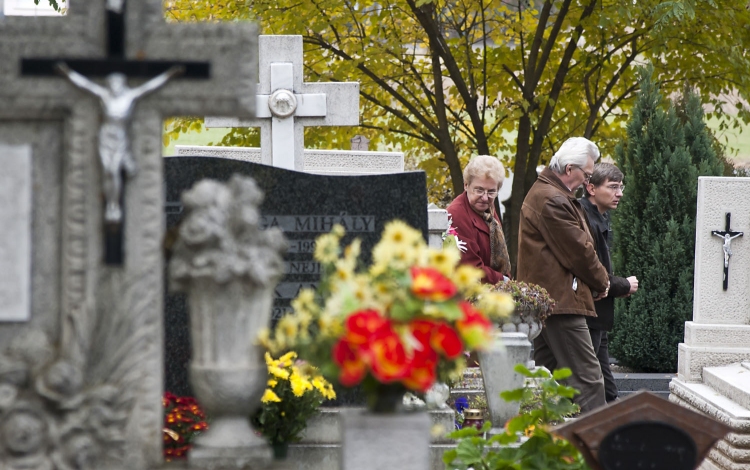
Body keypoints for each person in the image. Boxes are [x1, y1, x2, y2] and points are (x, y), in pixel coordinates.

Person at [516, 137, 610, 412]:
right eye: (587, 174)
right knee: (589, 381)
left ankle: (550, 445)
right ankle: (593, 450)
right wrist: (602, 280)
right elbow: (579, 250)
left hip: (548, 301)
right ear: (570, 169)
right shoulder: (553, 199)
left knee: (552, 381)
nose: (587, 181)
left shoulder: (547, 193)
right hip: (561, 303)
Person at [56, 62, 184, 224]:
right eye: (111, 83)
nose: (114, 86)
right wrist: (67, 73)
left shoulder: (130, 96)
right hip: (105, 136)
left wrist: (169, 75)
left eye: (117, 83)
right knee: (107, 170)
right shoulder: (104, 96)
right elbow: (85, 85)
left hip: (120, 137)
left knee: (114, 170)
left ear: (123, 84)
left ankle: (114, 206)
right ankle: (111, 204)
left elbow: (150, 87)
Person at [580, 163, 639, 403]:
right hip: (589, 311)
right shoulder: (585, 217)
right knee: (589, 378)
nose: (620, 193)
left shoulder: (598, 217)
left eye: (621, 187)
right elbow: (588, 269)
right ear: (591, 188)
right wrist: (623, 285)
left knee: (605, 386)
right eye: (613, 187)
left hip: (598, 314)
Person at [447, 155, 511, 284]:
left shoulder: (487, 210)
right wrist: (503, 280)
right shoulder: (457, 214)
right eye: (479, 190)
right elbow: (470, 268)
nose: (485, 198)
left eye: (491, 192)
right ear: (466, 185)